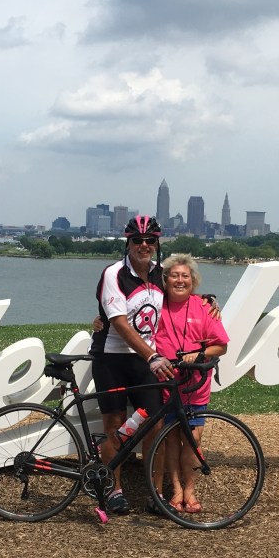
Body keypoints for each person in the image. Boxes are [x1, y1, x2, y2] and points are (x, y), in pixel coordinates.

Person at [90, 215, 172, 514]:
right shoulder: (114, 274)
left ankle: (155, 493)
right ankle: (114, 490)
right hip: (111, 358)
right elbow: (120, 323)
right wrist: (152, 356)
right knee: (115, 425)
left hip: (144, 360)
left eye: (150, 240)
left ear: (157, 244)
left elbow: (181, 296)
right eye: (138, 240)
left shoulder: (160, 274)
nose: (144, 245)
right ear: (128, 243)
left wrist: (207, 301)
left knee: (155, 425)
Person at [152, 254, 229, 514]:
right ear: (165, 279)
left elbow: (221, 346)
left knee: (193, 439)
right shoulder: (157, 305)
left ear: (193, 281)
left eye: (185, 276)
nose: (180, 280)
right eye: (174, 275)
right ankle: (176, 489)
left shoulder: (204, 307)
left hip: (195, 386)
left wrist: (200, 353)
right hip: (166, 384)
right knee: (171, 439)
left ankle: (190, 490)